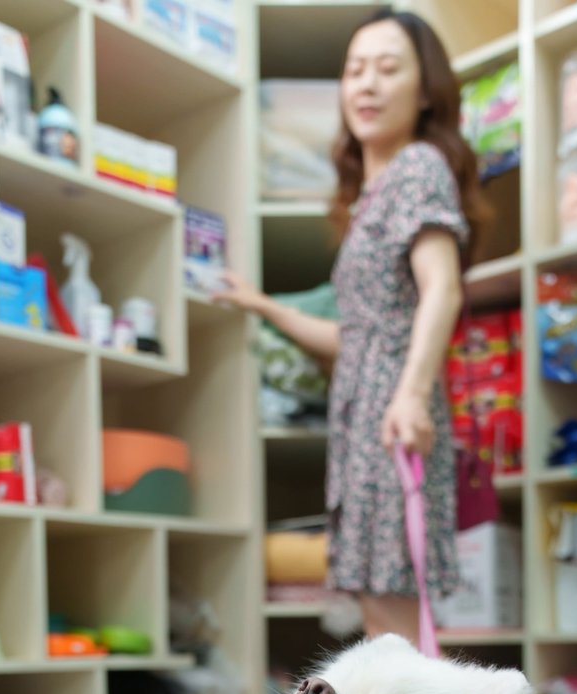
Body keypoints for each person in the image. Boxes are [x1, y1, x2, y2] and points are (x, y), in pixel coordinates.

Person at [218, 7, 488, 643]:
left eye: (387, 69)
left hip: (394, 416)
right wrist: (266, 307)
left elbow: (442, 287)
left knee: (394, 627)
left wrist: (413, 394)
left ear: (425, 92)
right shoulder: (372, 194)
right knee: (378, 620)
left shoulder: (418, 167)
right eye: (354, 70)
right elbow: (356, 337)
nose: (365, 84)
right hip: (364, 417)